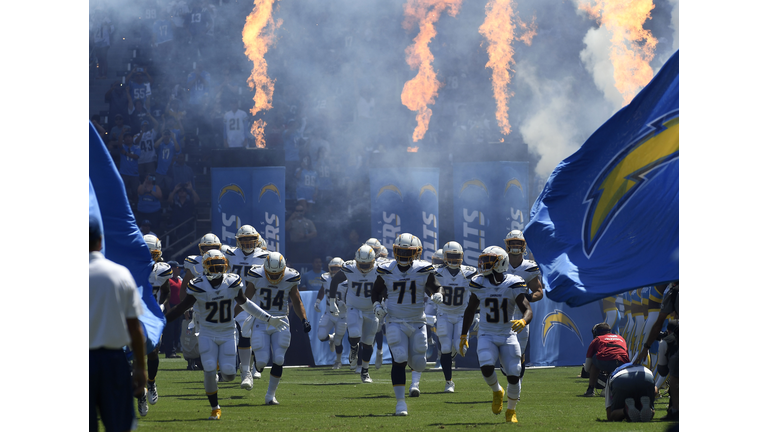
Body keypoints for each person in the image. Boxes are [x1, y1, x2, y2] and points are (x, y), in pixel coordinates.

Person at [164, 250, 289, 420]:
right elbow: (181, 307)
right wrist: (162, 321)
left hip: (228, 332)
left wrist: (267, 318)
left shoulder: (231, 282)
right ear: (206, 267)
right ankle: (215, 408)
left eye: (219, 266)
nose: (217, 270)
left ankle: (217, 372)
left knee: (229, 374)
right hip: (207, 332)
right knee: (208, 368)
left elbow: (246, 304)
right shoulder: (198, 285)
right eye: (213, 266)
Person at [370, 233, 443, 416]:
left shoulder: (423, 269)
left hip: (418, 320)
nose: (403, 254)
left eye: (407, 251)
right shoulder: (386, 269)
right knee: (400, 357)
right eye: (400, 250)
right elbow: (376, 291)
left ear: (416, 252)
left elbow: (436, 286)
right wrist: (377, 304)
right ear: (395, 250)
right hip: (395, 320)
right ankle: (400, 403)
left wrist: (438, 294)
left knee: (418, 362)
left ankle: (415, 380)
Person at [459, 246, 531, 424]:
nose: (483, 264)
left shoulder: (513, 282)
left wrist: (523, 321)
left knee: (514, 373)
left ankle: (511, 411)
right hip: (487, 333)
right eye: (483, 260)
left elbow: (527, 309)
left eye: (488, 261)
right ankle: (497, 390)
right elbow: (469, 311)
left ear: (501, 263)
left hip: (508, 334)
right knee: (486, 365)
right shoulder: (479, 282)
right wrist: (463, 335)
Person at [90, 216, 146, 431]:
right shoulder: (119, 274)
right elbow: (135, 327)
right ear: (100, 241)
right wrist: (140, 367)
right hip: (113, 359)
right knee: (119, 426)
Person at [244, 252, 311, 405]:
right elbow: (245, 300)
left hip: (280, 320)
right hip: (261, 320)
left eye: (277, 274)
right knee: (262, 361)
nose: (274, 278)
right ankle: (254, 364)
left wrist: (304, 320)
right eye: (271, 274)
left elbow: (296, 300)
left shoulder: (290, 277)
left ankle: (270, 395)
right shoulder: (256, 275)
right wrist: (236, 317)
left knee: (279, 358)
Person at [225, 225, 270, 389]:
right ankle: (244, 372)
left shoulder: (265, 256)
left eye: (250, 238)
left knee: (251, 336)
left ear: (256, 240)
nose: (248, 242)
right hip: (233, 300)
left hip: (254, 302)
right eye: (244, 239)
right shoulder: (230, 254)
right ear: (238, 240)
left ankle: (248, 370)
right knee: (240, 335)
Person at [328, 245, 380, 381]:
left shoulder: (379, 269)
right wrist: (332, 302)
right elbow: (335, 281)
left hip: (371, 309)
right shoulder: (350, 268)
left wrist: (382, 302)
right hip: (353, 306)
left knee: (368, 342)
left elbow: (386, 286)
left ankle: (365, 371)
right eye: (361, 264)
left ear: (373, 261)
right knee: (355, 333)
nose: (363, 267)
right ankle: (353, 347)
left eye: (367, 264)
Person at [433, 241, 476, 393]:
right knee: (445, 347)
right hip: (444, 313)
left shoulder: (469, 272)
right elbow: (425, 284)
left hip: (461, 315)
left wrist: (476, 314)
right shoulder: (436, 271)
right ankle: (448, 382)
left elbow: (477, 294)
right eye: (450, 255)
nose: (453, 259)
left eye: (456, 256)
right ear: (444, 256)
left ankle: (451, 354)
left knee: (461, 347)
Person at [503, 230, 543, 393]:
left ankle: (516, 386)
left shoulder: (529, 267)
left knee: (520, 353)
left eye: (518, 243)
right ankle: (509, 375)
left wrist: (527, 297)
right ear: (507, 245)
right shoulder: (499, 262)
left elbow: (539, 291)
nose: (515, 246)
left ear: (523, 246)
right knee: (504, 356)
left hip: (520, 314)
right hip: (502, 314)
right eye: (512, 243)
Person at [634, 281, 678, 421]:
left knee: (674, 375)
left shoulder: (673, 292)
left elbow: (659, 322)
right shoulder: (671, 292)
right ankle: (672, 407)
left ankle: (658, 395)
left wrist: (645, 347)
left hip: (674, 333)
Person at [141, 235, 173, 413]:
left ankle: (151, 383)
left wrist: (160, 306)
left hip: (152, 316)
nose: (149, 257)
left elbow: (166, 292)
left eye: (153, 254)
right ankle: (140, 394)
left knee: (153, 351)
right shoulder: (130, 266)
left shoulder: (161, 270)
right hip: (134, 313)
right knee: (132, 355)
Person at [314, 257, 347, 369]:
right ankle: (331, 339)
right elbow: (323, 289)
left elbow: (352, 295)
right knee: (321, 336)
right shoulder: (326, 278)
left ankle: (338, 361)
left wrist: (345, 303)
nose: (334, 271)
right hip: (329, 312)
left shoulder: (347, 281)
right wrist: (318, 301)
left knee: (339, 340)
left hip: (342, 314)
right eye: (333, 269)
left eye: (337, 269)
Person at [582, 322, 630, 397]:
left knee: (596, 358)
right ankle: (613, 387)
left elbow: (587, 367)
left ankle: (590, 389)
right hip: (622, 363)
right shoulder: (620, 338)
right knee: (612, 360)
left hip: (605, 361)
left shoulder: (598, 339)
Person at [162, 261, 183, 359]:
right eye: (178, 268)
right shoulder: (168, 280)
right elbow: (166, 295)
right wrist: (168, 309)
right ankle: (169, 351)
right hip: (170, 307)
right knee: (169, 331)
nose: (179, 270)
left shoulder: (179, 280)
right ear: (173, 268)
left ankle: (173, 350)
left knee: (176, 330)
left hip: (178, 307)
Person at [154, 129, 181, 195]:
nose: (166, 135)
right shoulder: (160, 144)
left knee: (170, 189)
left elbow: (178, 149)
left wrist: (173, 137)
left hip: (169, 171)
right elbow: (155, 146)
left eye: (168, 134)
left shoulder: (172, 144)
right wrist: (162, 137)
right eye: (165, 134)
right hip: (160, 171)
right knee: (158, 189)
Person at [118, 133, 141, 206]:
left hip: (134, 173)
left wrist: (125, 153)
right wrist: (122, 132)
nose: (128, 139)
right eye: (126, 137)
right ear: (124, 139)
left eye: (129, 137)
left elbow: (136, 156)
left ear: (132, 138)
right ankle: (122, 205)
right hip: (123, 173)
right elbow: (119, 144)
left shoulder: (137, 147)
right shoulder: (122, 147)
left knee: (135, 191)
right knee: (122, 191)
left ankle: (136, 206)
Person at [91, 8, 114, 79]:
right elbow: (91, 30)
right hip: (97, 42)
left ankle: (105, 74)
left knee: (103, 58)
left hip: (104, 41)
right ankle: (99, 74)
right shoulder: (93, 20)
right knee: (99, 59)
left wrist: (107, 24)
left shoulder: (107, 19)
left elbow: (112, 29)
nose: (98, 14)